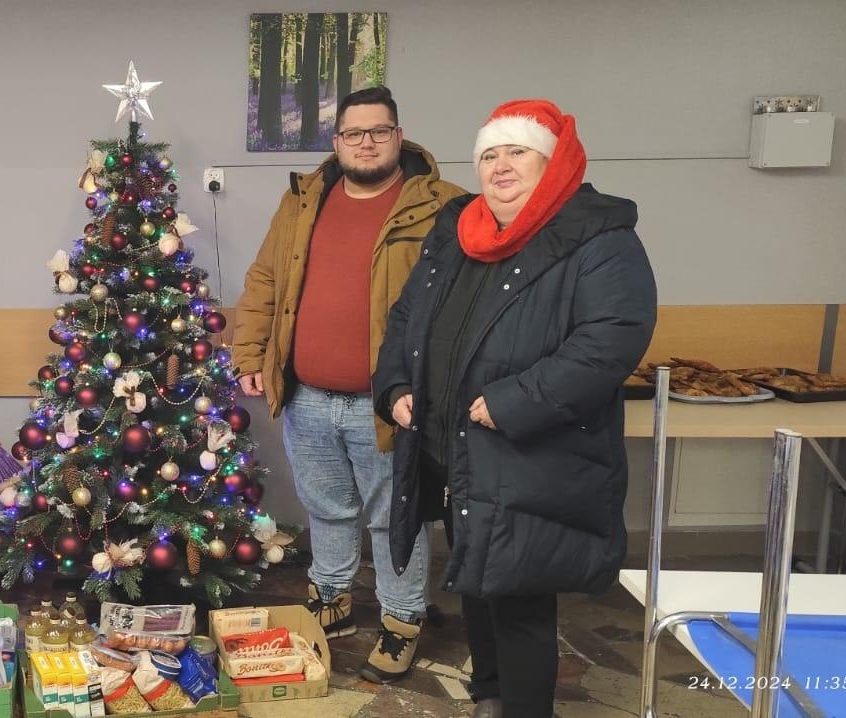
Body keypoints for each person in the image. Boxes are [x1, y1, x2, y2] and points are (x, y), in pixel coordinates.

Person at [373, 99, 658, 717]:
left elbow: (610, 338)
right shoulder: (458, 231)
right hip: (456, 448)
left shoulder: (598, 238)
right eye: (489, 155)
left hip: (528, 449)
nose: (500, 166)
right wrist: (395, 388)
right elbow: (406, 319)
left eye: (517, 152)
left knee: (520, 597)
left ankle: (524, 708)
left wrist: (510, 403)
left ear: (552, 164)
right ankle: (492, 695)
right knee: (477, 579)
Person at [232, 86, 465, 683]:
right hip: (308, 394)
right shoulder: (303, 200)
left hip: (390, 402)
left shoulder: (444, 206)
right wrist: (251, 352)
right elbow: (265, 279)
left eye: (379, 131)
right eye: (354, 133)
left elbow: (467, 303)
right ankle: (332, 597)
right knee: (327, 507)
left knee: (396, 516)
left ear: (399, 136)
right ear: (336, 143)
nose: (367, 142)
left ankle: (402, 616)